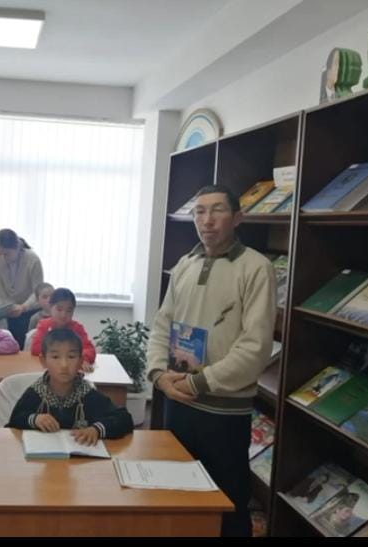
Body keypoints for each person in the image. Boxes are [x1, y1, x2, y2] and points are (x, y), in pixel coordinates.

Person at [146, 184, 276, 537]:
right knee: (176, 496)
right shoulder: (184, 265)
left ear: (237, 217)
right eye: (200, 212)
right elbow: (162, 325)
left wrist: (198, 382)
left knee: (227, 502)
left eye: (217, 210)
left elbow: (255, 347)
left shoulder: (256, 268)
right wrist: (158, 375)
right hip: (177, 400)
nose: (207, 220)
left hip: (223, 411)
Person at [8, 328, 133, 443]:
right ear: (43, 361)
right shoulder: (35, 393)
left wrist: (96, 430)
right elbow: (14, 420)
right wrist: (34, 419)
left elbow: (124, 419)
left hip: (79, 456)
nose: (64, 365)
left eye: (71, 357)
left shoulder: (88, 395)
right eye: (55, 357)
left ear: (80, 361)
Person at [0, 228, 44, 348]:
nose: (2, 257)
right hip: (11, 312)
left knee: (28, 342)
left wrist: (23, 307)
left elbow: (38, 292)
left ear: (18, 247)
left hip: (31, 310)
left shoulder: (33, 260)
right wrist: (8, 308)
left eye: (6, 254)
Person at [30, 287, 95, 371]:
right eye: (59, 309)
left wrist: (84, 359)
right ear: (50, 307)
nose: (63, 315)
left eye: (69, 311)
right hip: (49, 368)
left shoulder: (77, 328)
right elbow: (35, 348)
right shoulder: (44, 325)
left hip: (70, 368)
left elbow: (89, 349)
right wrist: (63, 353)